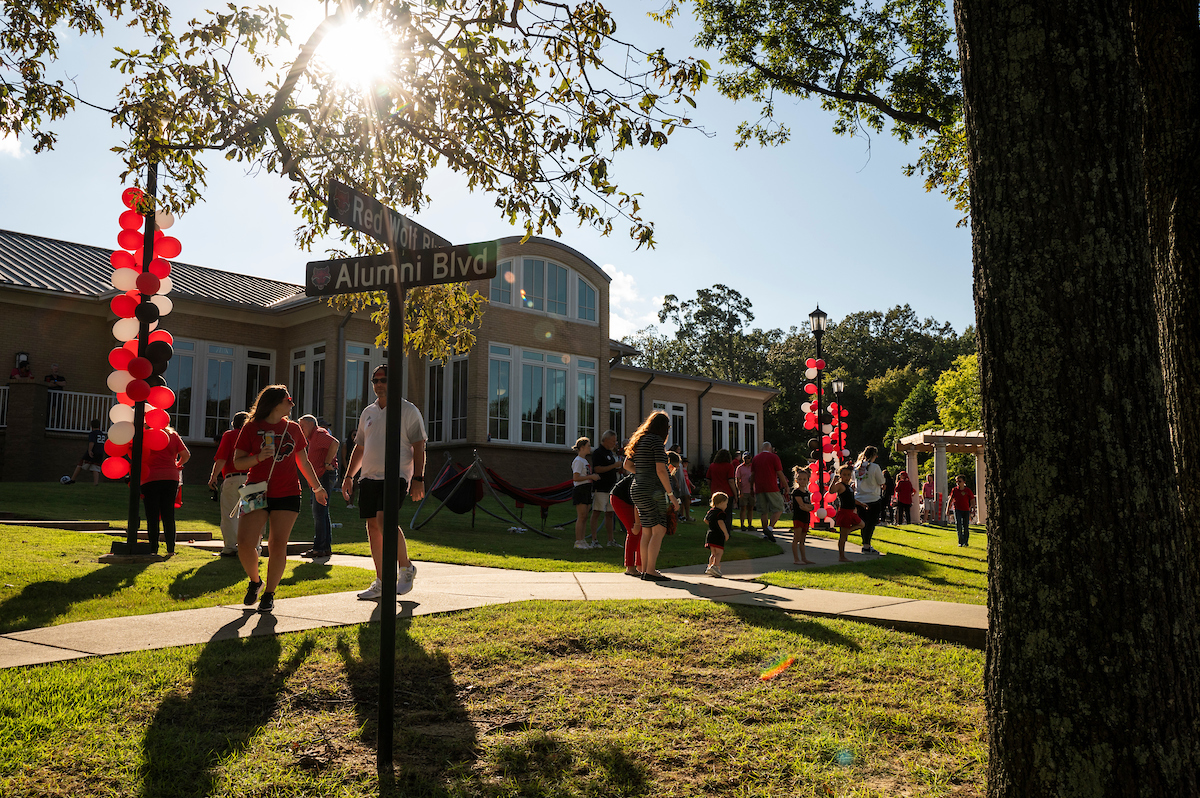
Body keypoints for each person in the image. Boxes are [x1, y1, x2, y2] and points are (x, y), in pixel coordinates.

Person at [233, 385, 328, 613]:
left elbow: (303, 463)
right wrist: (258, 458)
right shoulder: (251, 428)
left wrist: (317, 488)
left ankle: (269, 594)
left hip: (287, 492)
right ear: (276, 403)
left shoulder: (293, 429)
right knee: (244, 543)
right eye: (289, 399)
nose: (292, 404)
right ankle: (255, 582)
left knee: (277, 544)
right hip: (255, 489)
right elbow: (238, 463)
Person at [341, 365, 426, 600]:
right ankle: (381, 581)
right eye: (375, 380)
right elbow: (359, 447)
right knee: (372, 527)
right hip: (368, 476)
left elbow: (419, 445)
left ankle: (406, 568)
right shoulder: (368, 412)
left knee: (383, 519)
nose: (379, 384)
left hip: (396, 475)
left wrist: (419, 478)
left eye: (384, 380)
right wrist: (349, 477)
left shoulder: (408, 410)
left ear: (395, 382)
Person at [627, 411, 679, 581]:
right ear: (665, 428)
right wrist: (671, 496)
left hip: (637, 488)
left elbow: (627, 464)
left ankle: (645, 569)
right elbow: (661, 470)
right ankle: (650, 570)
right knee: (659, 529)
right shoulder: (656, 441)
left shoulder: (640, 440)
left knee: (648, 530)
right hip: (651, 491)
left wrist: (642, 473)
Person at [142, 426, 190, 556]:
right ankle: (170, 549)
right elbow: (186, 455)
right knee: (168, 514)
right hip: (170, 477)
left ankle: (153, 549)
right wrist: (177, 465)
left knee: (152, 515)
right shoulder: (173, 435)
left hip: (150, 477)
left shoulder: (145, 436)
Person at [208, 411, 251, 557]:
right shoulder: (255, 435)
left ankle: (231, 547)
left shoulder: (229, 435)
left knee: (230, 514)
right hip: (253, 478)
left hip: (233, 478)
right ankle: (252, 547)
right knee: (252, 514)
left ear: (234, 423)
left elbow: (221, 459)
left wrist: (213, 477)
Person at [298, 414, 340, 558]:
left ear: (311, 424)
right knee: (322, 512)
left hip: (323, 475)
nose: (300, 429)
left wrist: (328, 463)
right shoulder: (312, 438)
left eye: (302, 426)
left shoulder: (319, 433)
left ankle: (319, 549)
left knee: (319, 512)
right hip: (319, 477)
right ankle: (325, 548)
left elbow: (335, 443)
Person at [587, 430, 622, 547]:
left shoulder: (610, 453)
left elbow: (610, 468)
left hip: (611, 488)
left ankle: (610, 540)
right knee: (597, 512)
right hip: (601, 488)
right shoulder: (598, 453)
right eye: (613, 440)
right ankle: (594, 540)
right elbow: (597, 469)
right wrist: (613, 466)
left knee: (610, 514)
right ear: (606, 440)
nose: (614, 443)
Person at [853, 446, 886, 554]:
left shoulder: (857, 466)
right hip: (873, 497)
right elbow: (881, 481)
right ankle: (867, 545)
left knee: (863, 523)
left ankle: (865, 543)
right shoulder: (875, 467)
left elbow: (854, 481)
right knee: (871, 523)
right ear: (874, 456)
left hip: (859, 497)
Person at [610, 464, 642, 575]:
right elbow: (637, 502)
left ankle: (640, 566)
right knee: (633, 531)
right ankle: (630, 567)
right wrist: (637, 523)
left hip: (629, 499)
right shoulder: (645, 476)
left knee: (641, 533)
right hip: (620, 498)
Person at [751, 441, 786, 541]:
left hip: (759, 488)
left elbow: (752, 475)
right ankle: (770, 528)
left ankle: (765, 532)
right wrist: (786, 485)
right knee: (779, 507)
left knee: (764, 511)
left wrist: (751, 487)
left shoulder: (756, 458)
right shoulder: (774, 457)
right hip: (771, 487)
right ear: (770, 449)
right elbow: (779, 472)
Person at [832, 464, 866, 562]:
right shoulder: (840, 485)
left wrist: (861, 504)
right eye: (844, 475)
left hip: (851, 512)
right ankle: (841, 556)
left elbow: (852, 499)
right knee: (843, 538)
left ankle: (848, 531)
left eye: (848, 475)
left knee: (862, 524)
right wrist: (833, 481)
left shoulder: (849, 487)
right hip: (844, 512)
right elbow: (831, 491)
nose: (847, 477)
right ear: (840, 475)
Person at [571, 437, 600, 549]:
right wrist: (591, 476)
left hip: (587, 488)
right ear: (582, 447)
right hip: (580, 489)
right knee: (581, 516)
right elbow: (576, 477)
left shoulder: (584, 460)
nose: (590, 448)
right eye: (588, 446)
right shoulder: (578, 461)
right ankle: (578, 541)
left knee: (585, 516)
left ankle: (582, 540)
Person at [67, 418, 106, 485]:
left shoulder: (92, 433)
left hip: (93, 452)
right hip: (100, 453)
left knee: (80, 464)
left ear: (91, 426)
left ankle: (73, 479)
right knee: (96, 468)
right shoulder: (102, 434)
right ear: (99, 426)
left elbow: (92, 442)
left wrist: (89, 450)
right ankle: (95, 483)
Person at [706, 449, 738, 527]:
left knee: (715, 512)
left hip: (715, 492)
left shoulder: (712, 466)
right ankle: (726, 531)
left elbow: (708, 479)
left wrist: (711, 488)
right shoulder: (729, 466)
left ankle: (715, 528)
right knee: (727, 514)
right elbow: (731, 481)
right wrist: (736, 494)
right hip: (727, 493)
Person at [790, 465, 815, 565]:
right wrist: (808, 507)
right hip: (798, 518)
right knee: (796, 538)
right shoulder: (796, 492)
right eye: (800, 479)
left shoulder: (807, 493)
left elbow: (811, 507)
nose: (802, 481)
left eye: (804, 479)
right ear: (796, 480)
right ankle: (796, 559)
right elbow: (802, 506)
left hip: (806, 518)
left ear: (808, 480)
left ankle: (804, 558)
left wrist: (808, 507)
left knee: (803, 540)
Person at [704, 492, 731, 577]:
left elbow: (705, 520)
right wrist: (726, 533)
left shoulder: (711, 511)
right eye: (726, 504)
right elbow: (720, 522)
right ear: (722, 503)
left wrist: (712, 524)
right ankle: (715, 566)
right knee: (719, 552)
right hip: (718, 534)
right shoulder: (721, 513)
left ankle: (710, 566)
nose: (726, 506)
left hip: (710, 533)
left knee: (713, 553)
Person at [948, 474, 977, 546]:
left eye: (960, 481)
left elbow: (972, 500)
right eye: (957, 481)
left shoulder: (968, 490)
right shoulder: (954, 490)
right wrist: (947, 509)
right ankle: (960, 541)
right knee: (958, 525)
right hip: (957, 509)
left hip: (966, 510)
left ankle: (965, 541)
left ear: (964, 482)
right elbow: (950, 499)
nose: (958, 483)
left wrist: (973, 508)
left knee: (966, 526)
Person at [735, 454, 754, 530]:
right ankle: (742, 525)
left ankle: (750, 525)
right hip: (744, 490)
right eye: (745, 458)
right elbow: (737, 480)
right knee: (743, 508)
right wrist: (739, 490)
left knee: (751, 508)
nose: (747, 459)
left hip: (752, 490)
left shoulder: (753, 467)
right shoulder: (740, 468)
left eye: (748, 458)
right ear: (743, 458)